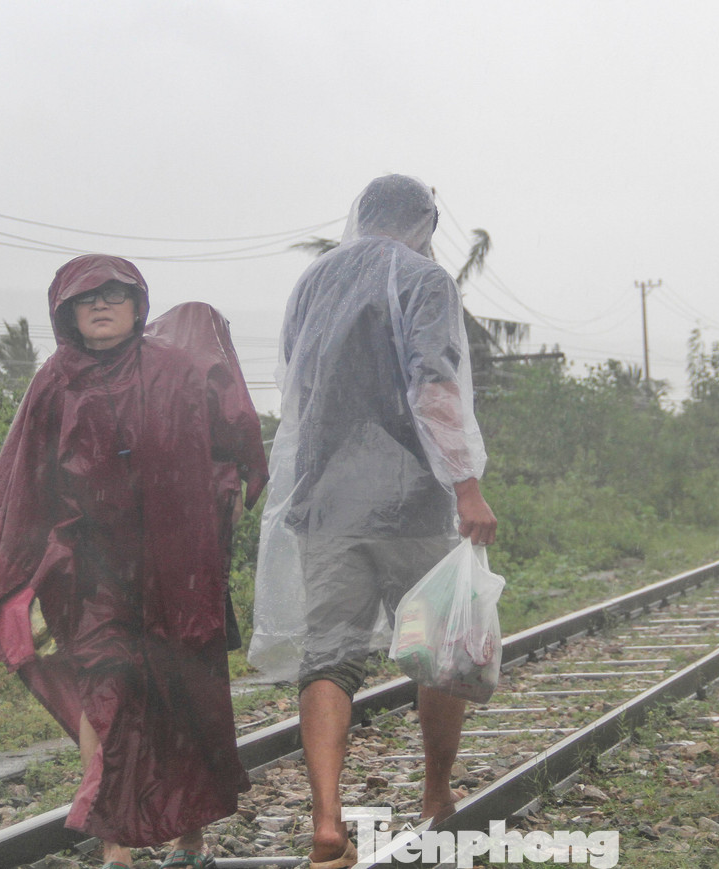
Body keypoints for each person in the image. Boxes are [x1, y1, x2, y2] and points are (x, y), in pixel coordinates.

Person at [0, 255, 268, 869]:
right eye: (86, 298)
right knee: (105, 688)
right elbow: (25, 481)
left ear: (137, 304)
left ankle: (190, 840)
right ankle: (115, 847)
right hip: (92, 573)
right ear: (66, 312)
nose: (100, 305)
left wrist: (228, 494)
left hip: (178, 569)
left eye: (114, 294)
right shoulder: (55, 382)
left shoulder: (178, 371)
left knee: (181, 694)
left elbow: (231, 445)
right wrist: (24, 570)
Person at [250, 175, 498, 869]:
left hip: (325, 504)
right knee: (439, 648)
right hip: (411, 502)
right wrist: (467, 487)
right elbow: (434, 383)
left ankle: (328, 825)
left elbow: (296, 386)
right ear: (425, 224)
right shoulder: (426, 279)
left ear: (362, 216)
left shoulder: (313, 282)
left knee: (329, 656)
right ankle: (436, 795)